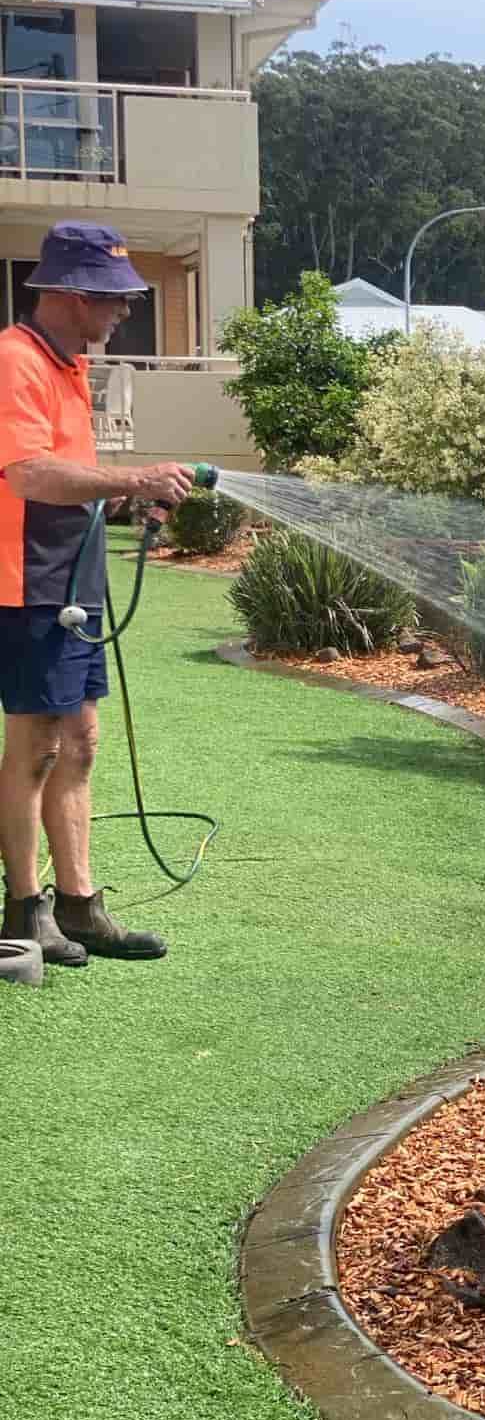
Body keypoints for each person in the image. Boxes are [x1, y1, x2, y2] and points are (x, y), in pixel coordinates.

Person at [0, 222, 195, 968]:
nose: (123, 314)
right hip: (26, 582)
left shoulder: (70, 366)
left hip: (74, 579)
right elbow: (29, 476)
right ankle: (25, 911)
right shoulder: (15, 359)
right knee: (36, 749)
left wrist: (122, 500)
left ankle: (79, 907)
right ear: (72, 295)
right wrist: (131, 478)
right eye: (114, 301)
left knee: (80, 742)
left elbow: (71, 481)